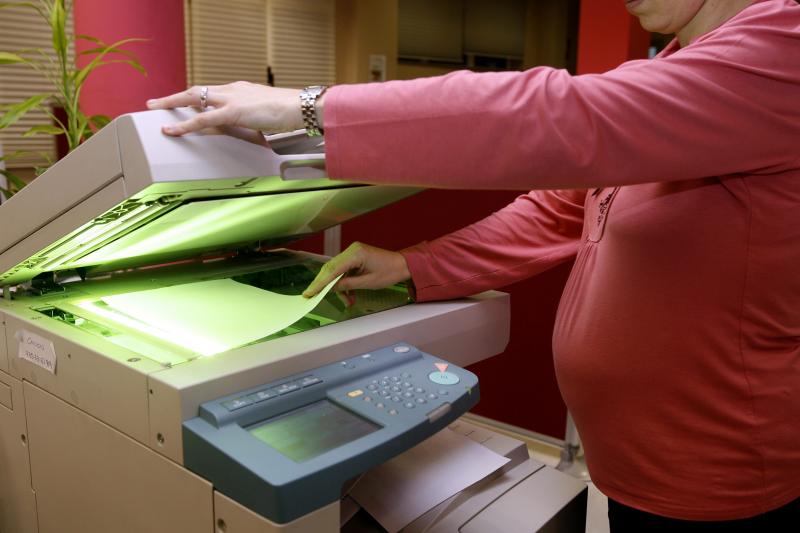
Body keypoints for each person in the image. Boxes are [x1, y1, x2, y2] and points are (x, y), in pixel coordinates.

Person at [147, 0, 800, 530]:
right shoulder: (686, 61)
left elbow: (563, 118)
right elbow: (557, 211)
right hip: (639, 464)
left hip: (720, 472)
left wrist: (309, 109)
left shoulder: (783, 45)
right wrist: (413, 265)